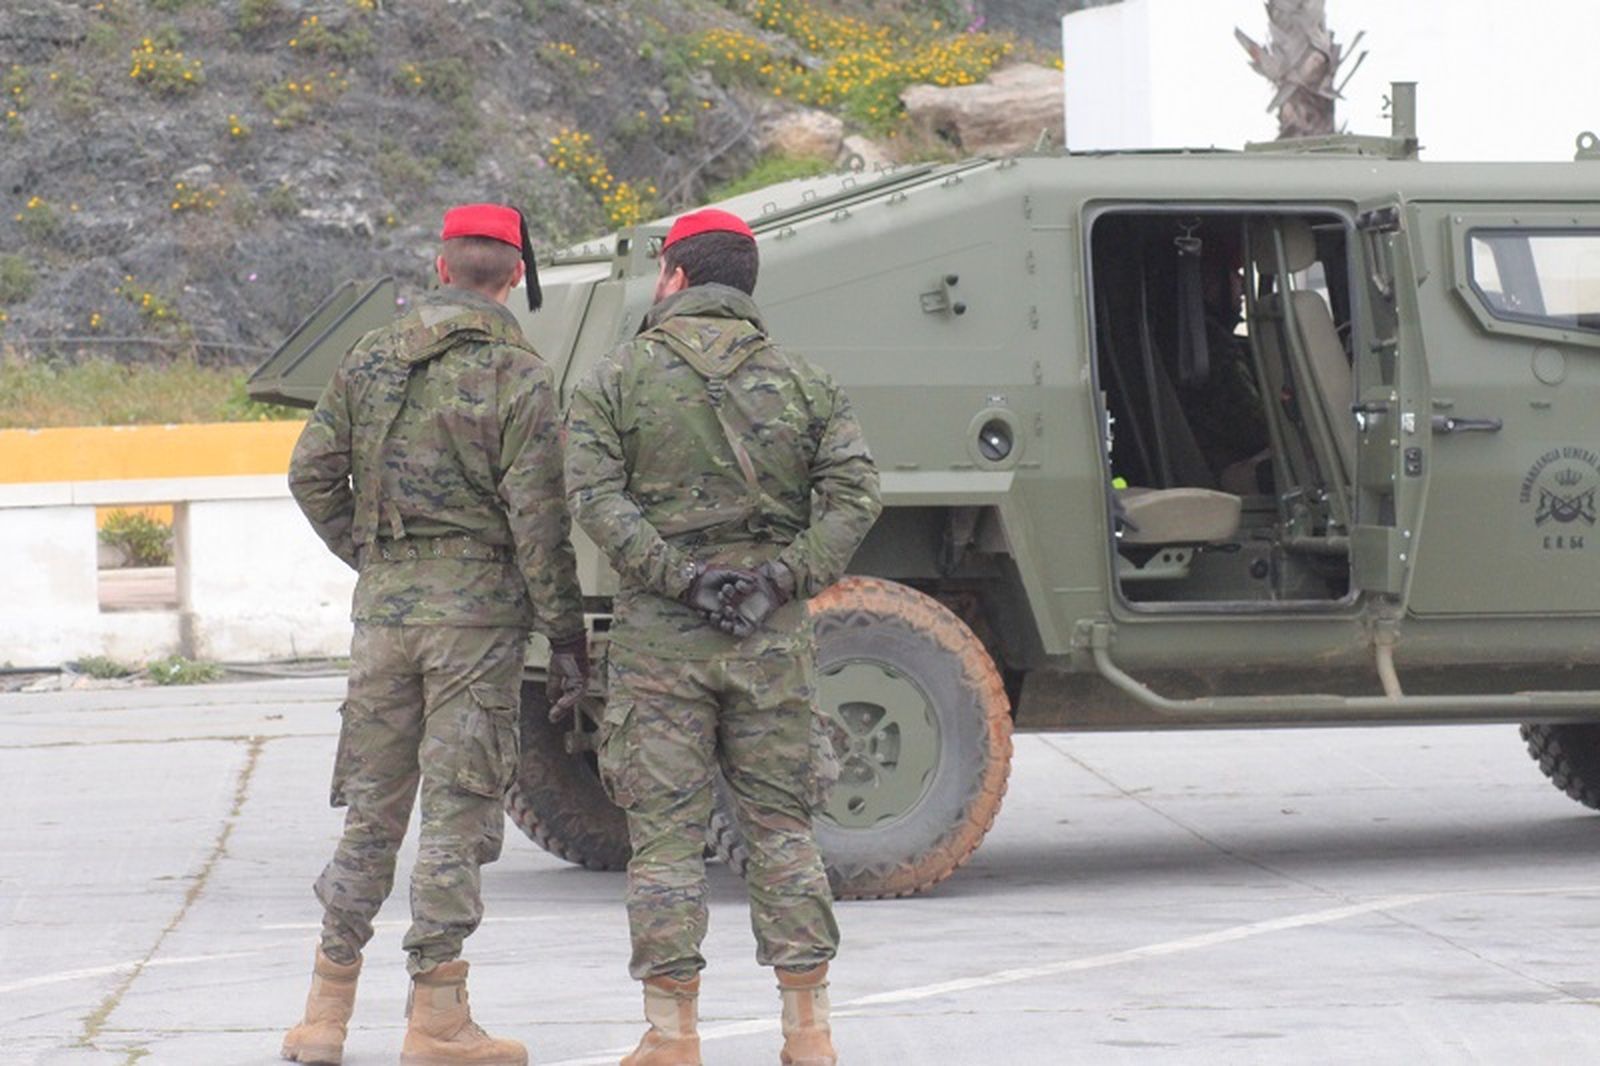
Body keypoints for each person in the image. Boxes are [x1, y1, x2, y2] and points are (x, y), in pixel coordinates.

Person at [564, 207, 882, 1066]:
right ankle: (809, 1033)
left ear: (672, 278)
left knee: (665, 841)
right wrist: (780, 578)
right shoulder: (805, 378)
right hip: (769, 641)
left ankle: (672, 1038)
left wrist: (683, 579)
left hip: (663, 646)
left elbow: (595, 501)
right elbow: (855, 496)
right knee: (782, 831)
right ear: (744, 285)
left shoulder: (615, 378)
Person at [281, 202, 588, 1066]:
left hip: (384, 614)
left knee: (371, 809)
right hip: (477, 620)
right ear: (516, 277)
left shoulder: (371, 355)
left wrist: (376, 559)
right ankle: (438, 1021)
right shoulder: (516, 374)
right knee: (457, 813)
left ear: (439, 264)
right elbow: (540, 520)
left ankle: (323, 1016)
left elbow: (310, 473)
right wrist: (565, 634)